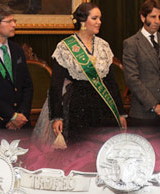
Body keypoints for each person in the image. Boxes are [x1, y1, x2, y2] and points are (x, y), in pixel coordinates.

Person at [35, 2, 127, 144]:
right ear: (83, 21)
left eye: (100, 18)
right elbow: (56, 86)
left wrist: (120, 113)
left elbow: (111, 83)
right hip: (77, 109)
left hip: (104, 108)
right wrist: (57, 117)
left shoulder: (104, 46)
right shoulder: (65, 47)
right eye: (95, 18)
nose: (99, 22)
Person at [122, 0, 160, 137]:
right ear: (143, 17)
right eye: (153, 17)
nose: (157, 21)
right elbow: (132, 79)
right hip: (143, 115)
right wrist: (154, 106)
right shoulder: (131, 43)